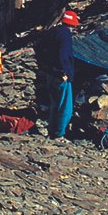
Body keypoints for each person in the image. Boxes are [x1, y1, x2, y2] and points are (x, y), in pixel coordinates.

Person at [47, 8, 80, 138]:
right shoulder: (65, 36)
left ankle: (52, 130)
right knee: (65, 107)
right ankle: (59, 133)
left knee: (54, 105)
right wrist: (64, 72)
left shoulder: (53, 33)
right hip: (61, 75)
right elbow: (64, 55)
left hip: (50, 73)